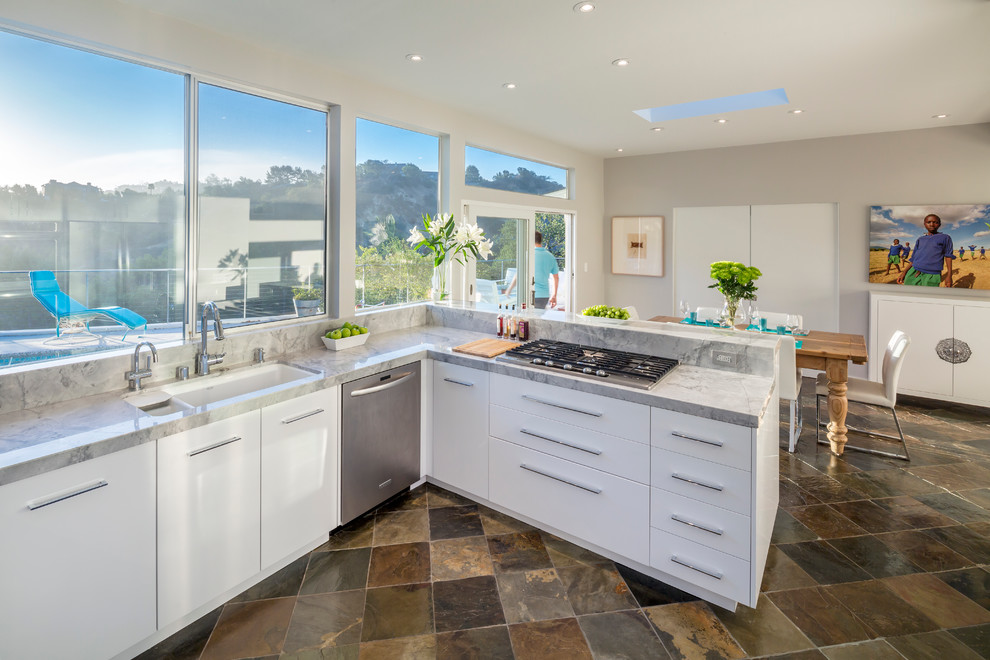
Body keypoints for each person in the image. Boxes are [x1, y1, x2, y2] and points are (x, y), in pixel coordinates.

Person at [505, 231, 560, 309]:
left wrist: (509, 289)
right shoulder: (550, 256)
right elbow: (556, 277)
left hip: (529, 294)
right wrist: (554, 295)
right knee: (538, 319)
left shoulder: (528, 255)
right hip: (544, 296)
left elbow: (518, 274)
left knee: (525, 319)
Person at [898, 214, 954, 287]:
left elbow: (948, 257)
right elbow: (913, 258)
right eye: (929, 222)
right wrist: (904, 272)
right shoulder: (920, 239)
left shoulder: (945, 238)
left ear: (939, 224)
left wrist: (949, 276)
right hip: (913, 271)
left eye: (935, 222)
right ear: (924, 224)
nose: (932, 224)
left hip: (932, 274)